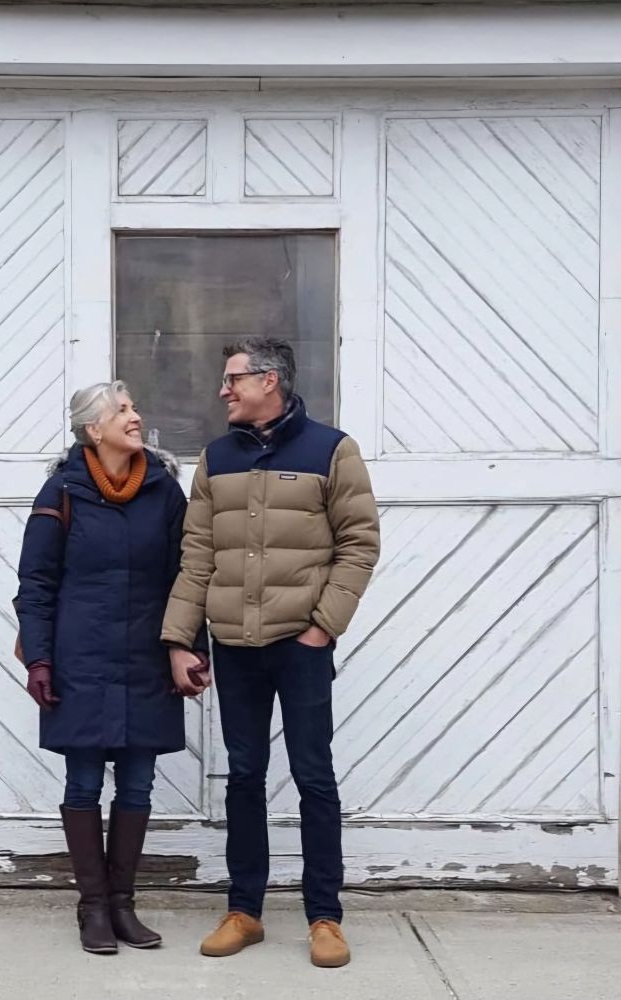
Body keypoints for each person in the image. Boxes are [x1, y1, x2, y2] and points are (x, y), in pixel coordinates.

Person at [161, 338, 380, 969]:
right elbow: (197, 556)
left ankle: (325, 918)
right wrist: (181, 641)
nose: (223, 390)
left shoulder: (330, 450)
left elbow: (359, 544)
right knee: (245, 776)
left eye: (233, 379)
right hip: (234, 646)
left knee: (314, 775)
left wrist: (322, 626)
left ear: (269, 381)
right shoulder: (216, 458)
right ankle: (244, 911)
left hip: (300, 644)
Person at [15, 381, 208, 955]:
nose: (134, 416)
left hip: (147, 658)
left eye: (132, 407)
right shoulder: (62, 490)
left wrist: (190, 646)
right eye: (121, 411)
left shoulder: (163, 490)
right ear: (92, 430)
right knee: (83, 782)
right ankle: (92, 908)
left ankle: (123, 905)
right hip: (82, 661)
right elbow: (36, 582)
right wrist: (41, 658)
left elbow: (189, 575)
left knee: (140, 783)